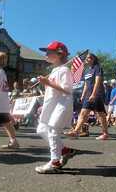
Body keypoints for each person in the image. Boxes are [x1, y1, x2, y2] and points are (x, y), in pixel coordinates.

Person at [35, 41, 76, 174]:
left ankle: (55, 162)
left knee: (53, 132)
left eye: (48, 52)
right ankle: (64, 150)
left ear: (59, 54)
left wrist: (48, 83)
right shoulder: (54, 70)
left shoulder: (65, 70)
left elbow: (67, 90)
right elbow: (51, 92)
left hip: (61, 105)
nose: (46, 54)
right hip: (51, 105)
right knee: (41, 129)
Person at [65, 53, 109, 140]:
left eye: (88, 58)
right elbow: (86, 84)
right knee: (83, 113)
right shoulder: (86, 70)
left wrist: (93, 94)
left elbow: (97, 82)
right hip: (87, 96)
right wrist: (83, 95)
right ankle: (76, 131)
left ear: (93, 59)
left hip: (96, 95)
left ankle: (105, 133)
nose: (86, 59)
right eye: (86, 58)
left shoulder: (97, 68)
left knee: (100, 114)